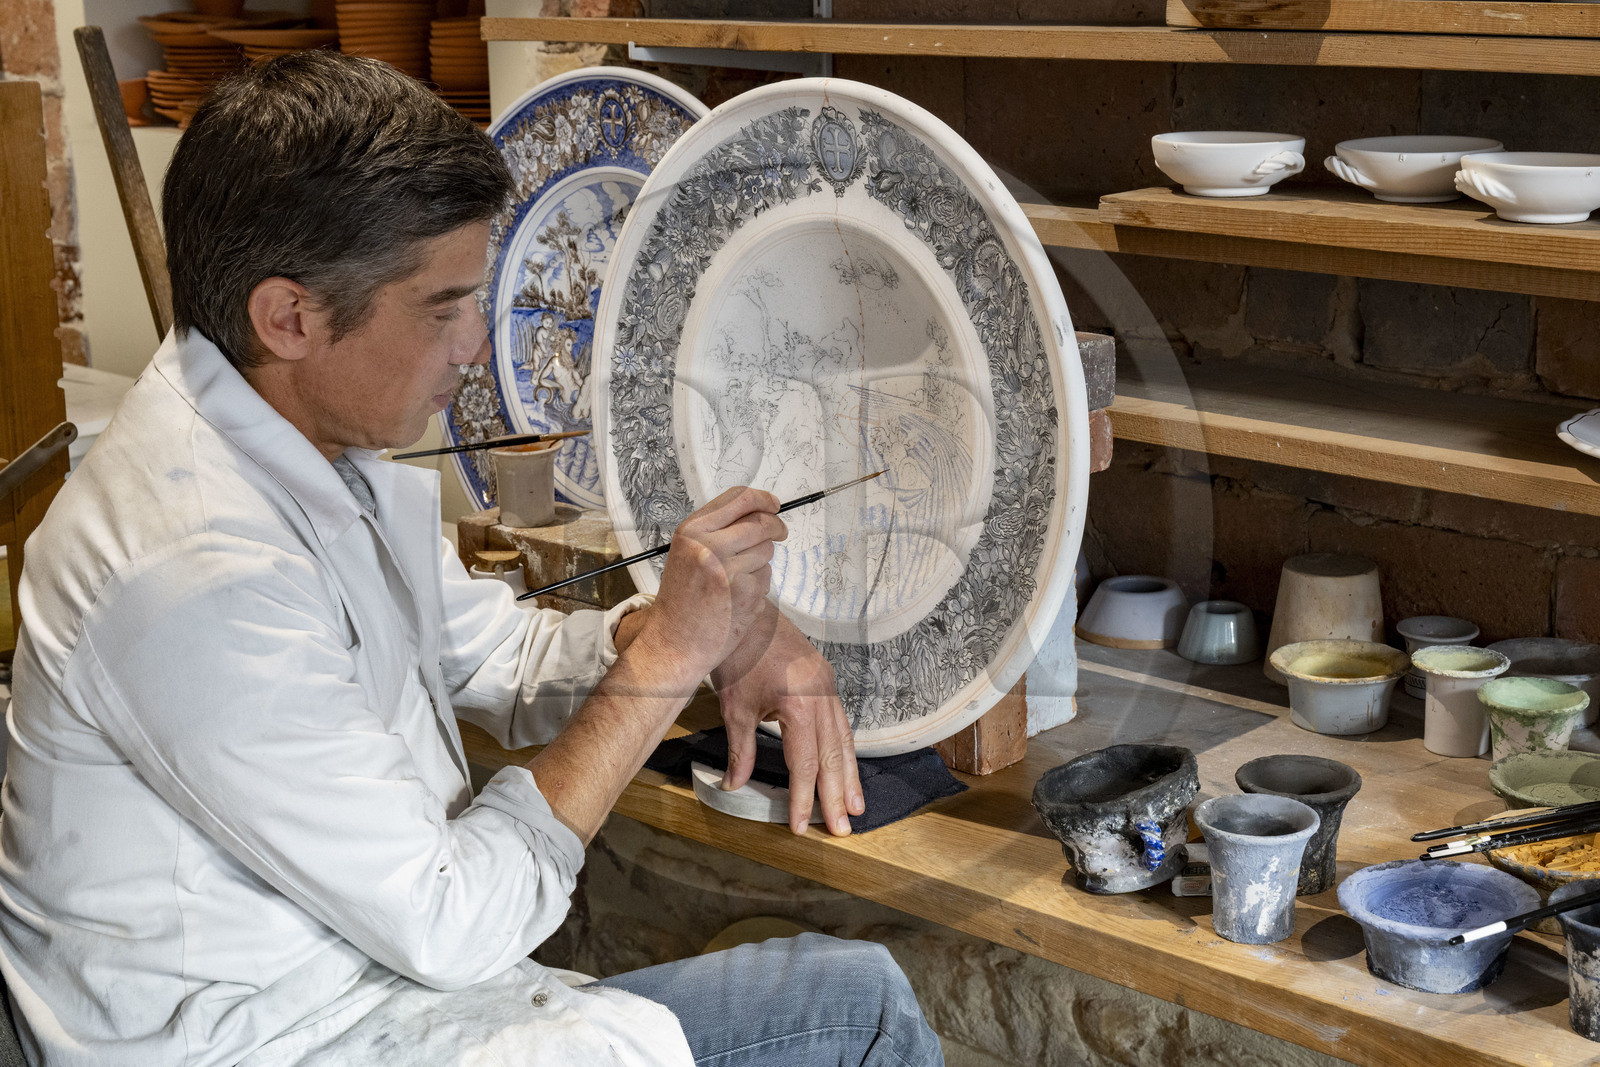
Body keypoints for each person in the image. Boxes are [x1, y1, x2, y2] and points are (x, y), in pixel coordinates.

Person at [0, 52, 944, 1067]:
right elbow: (451, 919)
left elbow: (493, 651)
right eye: (442, 307)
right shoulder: (191, 566)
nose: (473, 346)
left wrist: (702, 633)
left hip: (365, 990)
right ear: (290, 316)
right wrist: (667, 654)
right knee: (857, 1006)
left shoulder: (295, 442)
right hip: (283, 1038)